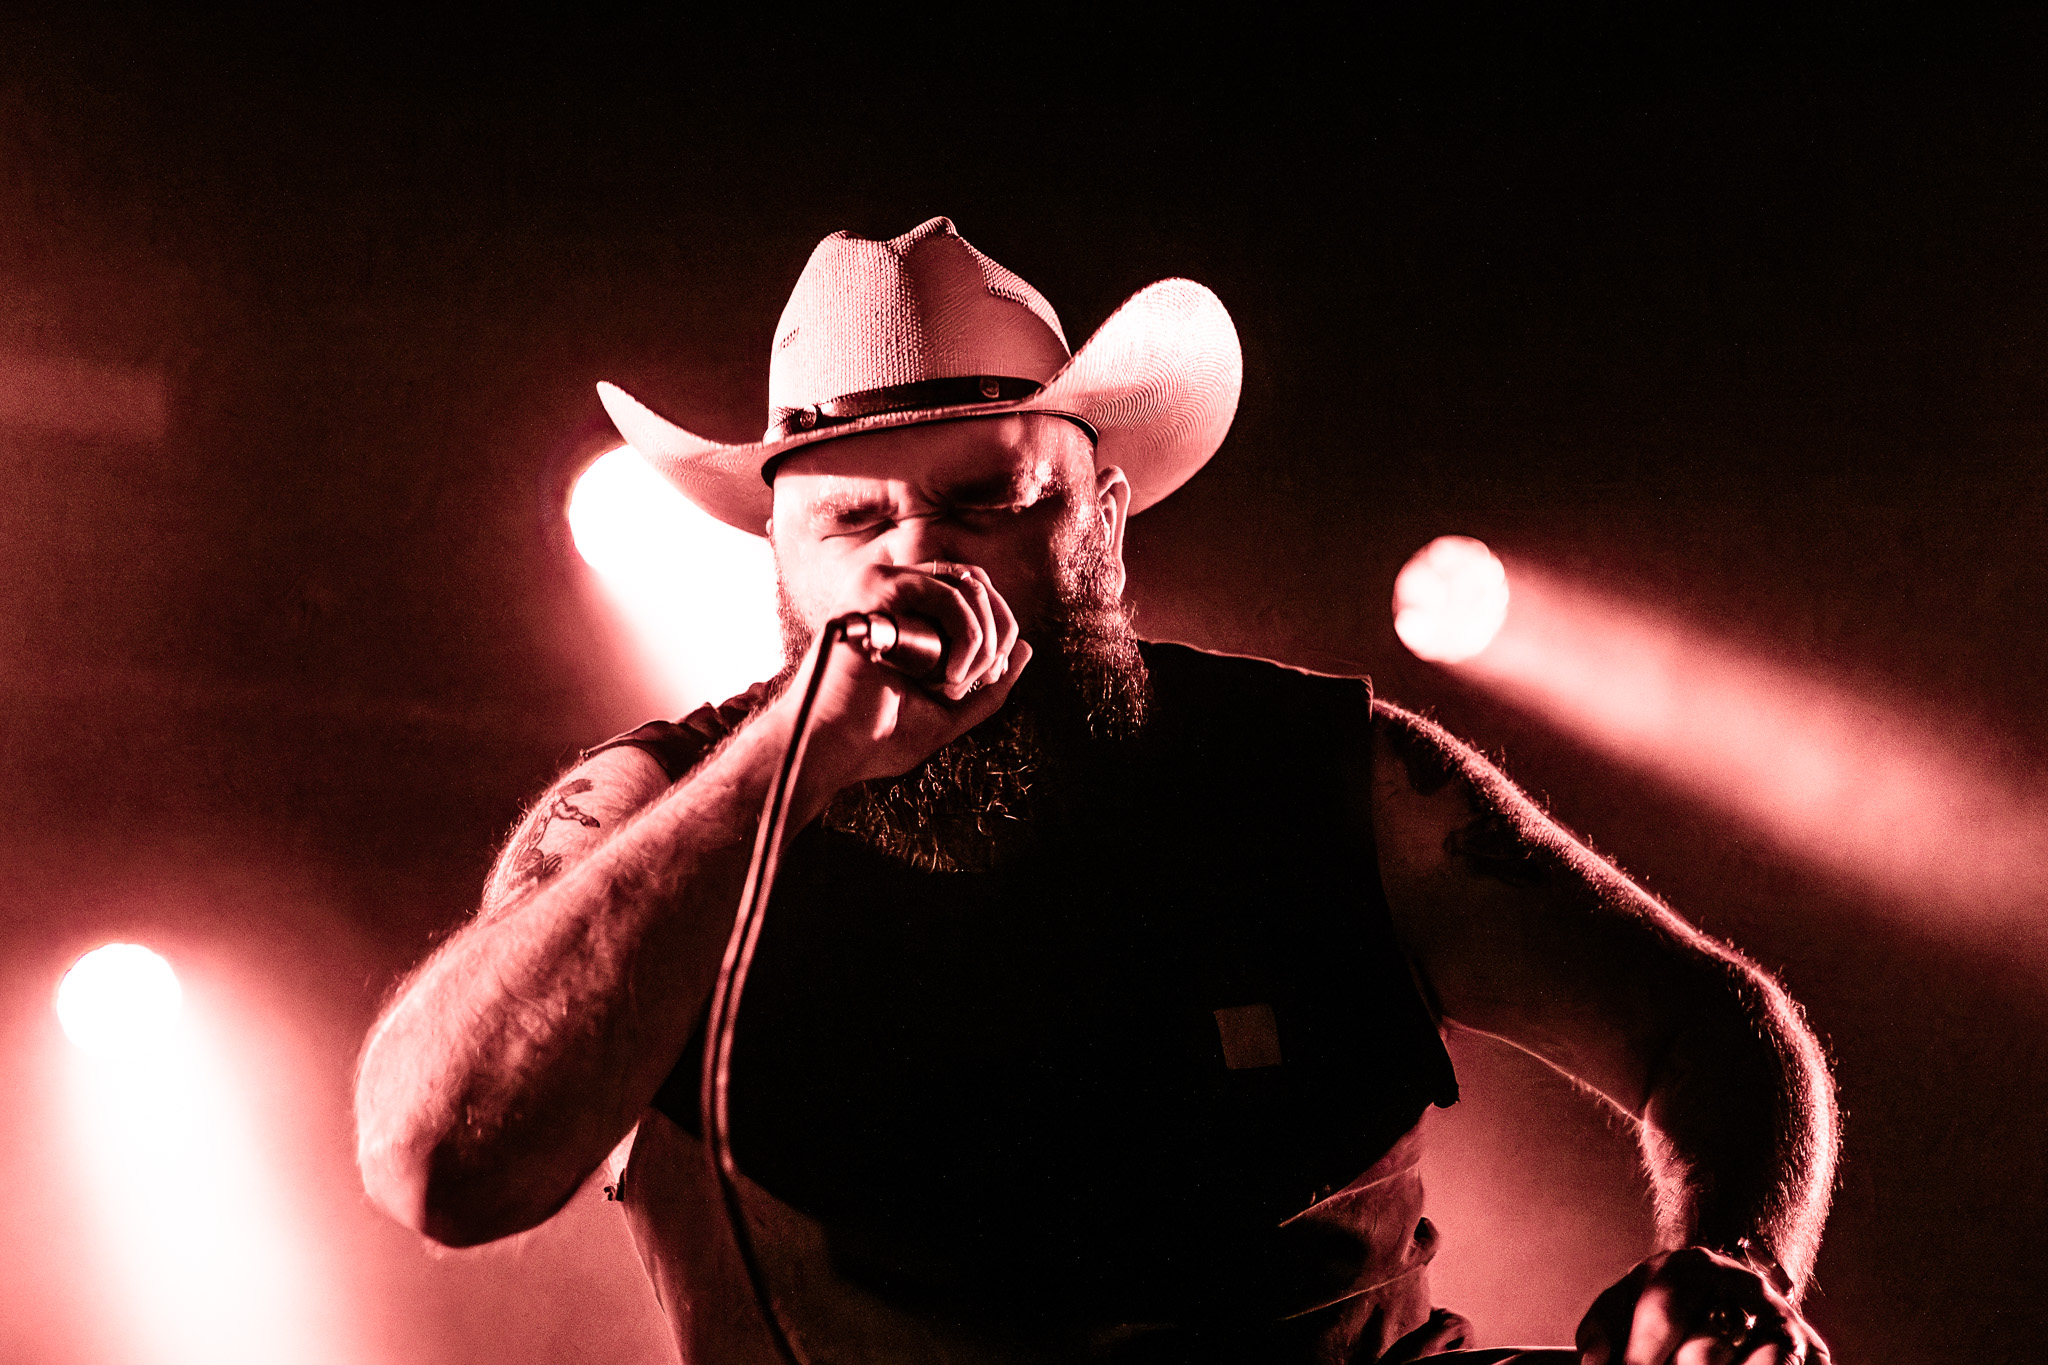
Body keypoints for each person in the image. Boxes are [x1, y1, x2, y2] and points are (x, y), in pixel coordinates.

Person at [354, 218, 1836, 1364]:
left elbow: (1710, 1022)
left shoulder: (1322, 773)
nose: (916, 556)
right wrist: (781, 771)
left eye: (986, 499)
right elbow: (437, 1166)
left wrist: (1732, 1264)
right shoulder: (658, 811)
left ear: (1102, 522)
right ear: (781, 563)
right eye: (855, 519)